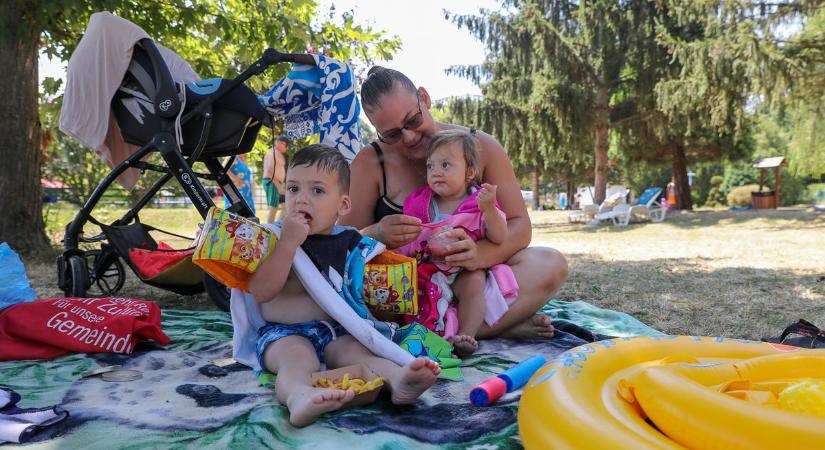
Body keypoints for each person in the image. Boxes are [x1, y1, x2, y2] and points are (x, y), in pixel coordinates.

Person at [341, 66, 568, 341]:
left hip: (472, 284)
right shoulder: (370, 162)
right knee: (358, 289)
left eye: (412, 120)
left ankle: (463, 329)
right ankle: (495, 327)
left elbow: (519, 226)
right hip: (407, 294)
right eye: (392, 135)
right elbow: (344, 244)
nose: (409, 137)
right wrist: (376, 233)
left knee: (550, 263)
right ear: (378, 133)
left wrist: (478, 256)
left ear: (424, 98)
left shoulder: (480, 146)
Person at [248, 144, 440, 428]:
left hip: (336, 332)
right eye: (293, 189)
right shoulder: (274, 239)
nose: (301, 200)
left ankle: (398, 379)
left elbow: (363, 281)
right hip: (285, 334)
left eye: (317, 191)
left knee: (359, 353)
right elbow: (261, 292)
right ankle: (298, 396)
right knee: (297, 360)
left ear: (343, 205)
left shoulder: (348, 242)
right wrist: (288, 244)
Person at [399, 129, 510, 357]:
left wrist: (489, 209)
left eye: (446, 165)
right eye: (431, 166)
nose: (436, 172)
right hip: (428, 270)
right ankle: (428, 332)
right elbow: (407, 240)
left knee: (475, 281)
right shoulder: (421, 203)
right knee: (412, 292)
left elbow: (499, 236)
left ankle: (466, 335)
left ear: (469, 172)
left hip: (463, 270)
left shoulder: (477, 203)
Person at [263, 135, 289, 223]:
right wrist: (278, 186)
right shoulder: (273, 153)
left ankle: (277, 225)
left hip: (277, 183)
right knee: (273, 207)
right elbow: (269, 170)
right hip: (272, 182)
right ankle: (269, 229)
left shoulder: (277, 153)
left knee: (285, 206)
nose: (287, 148)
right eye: (287, 145)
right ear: (281, 143)